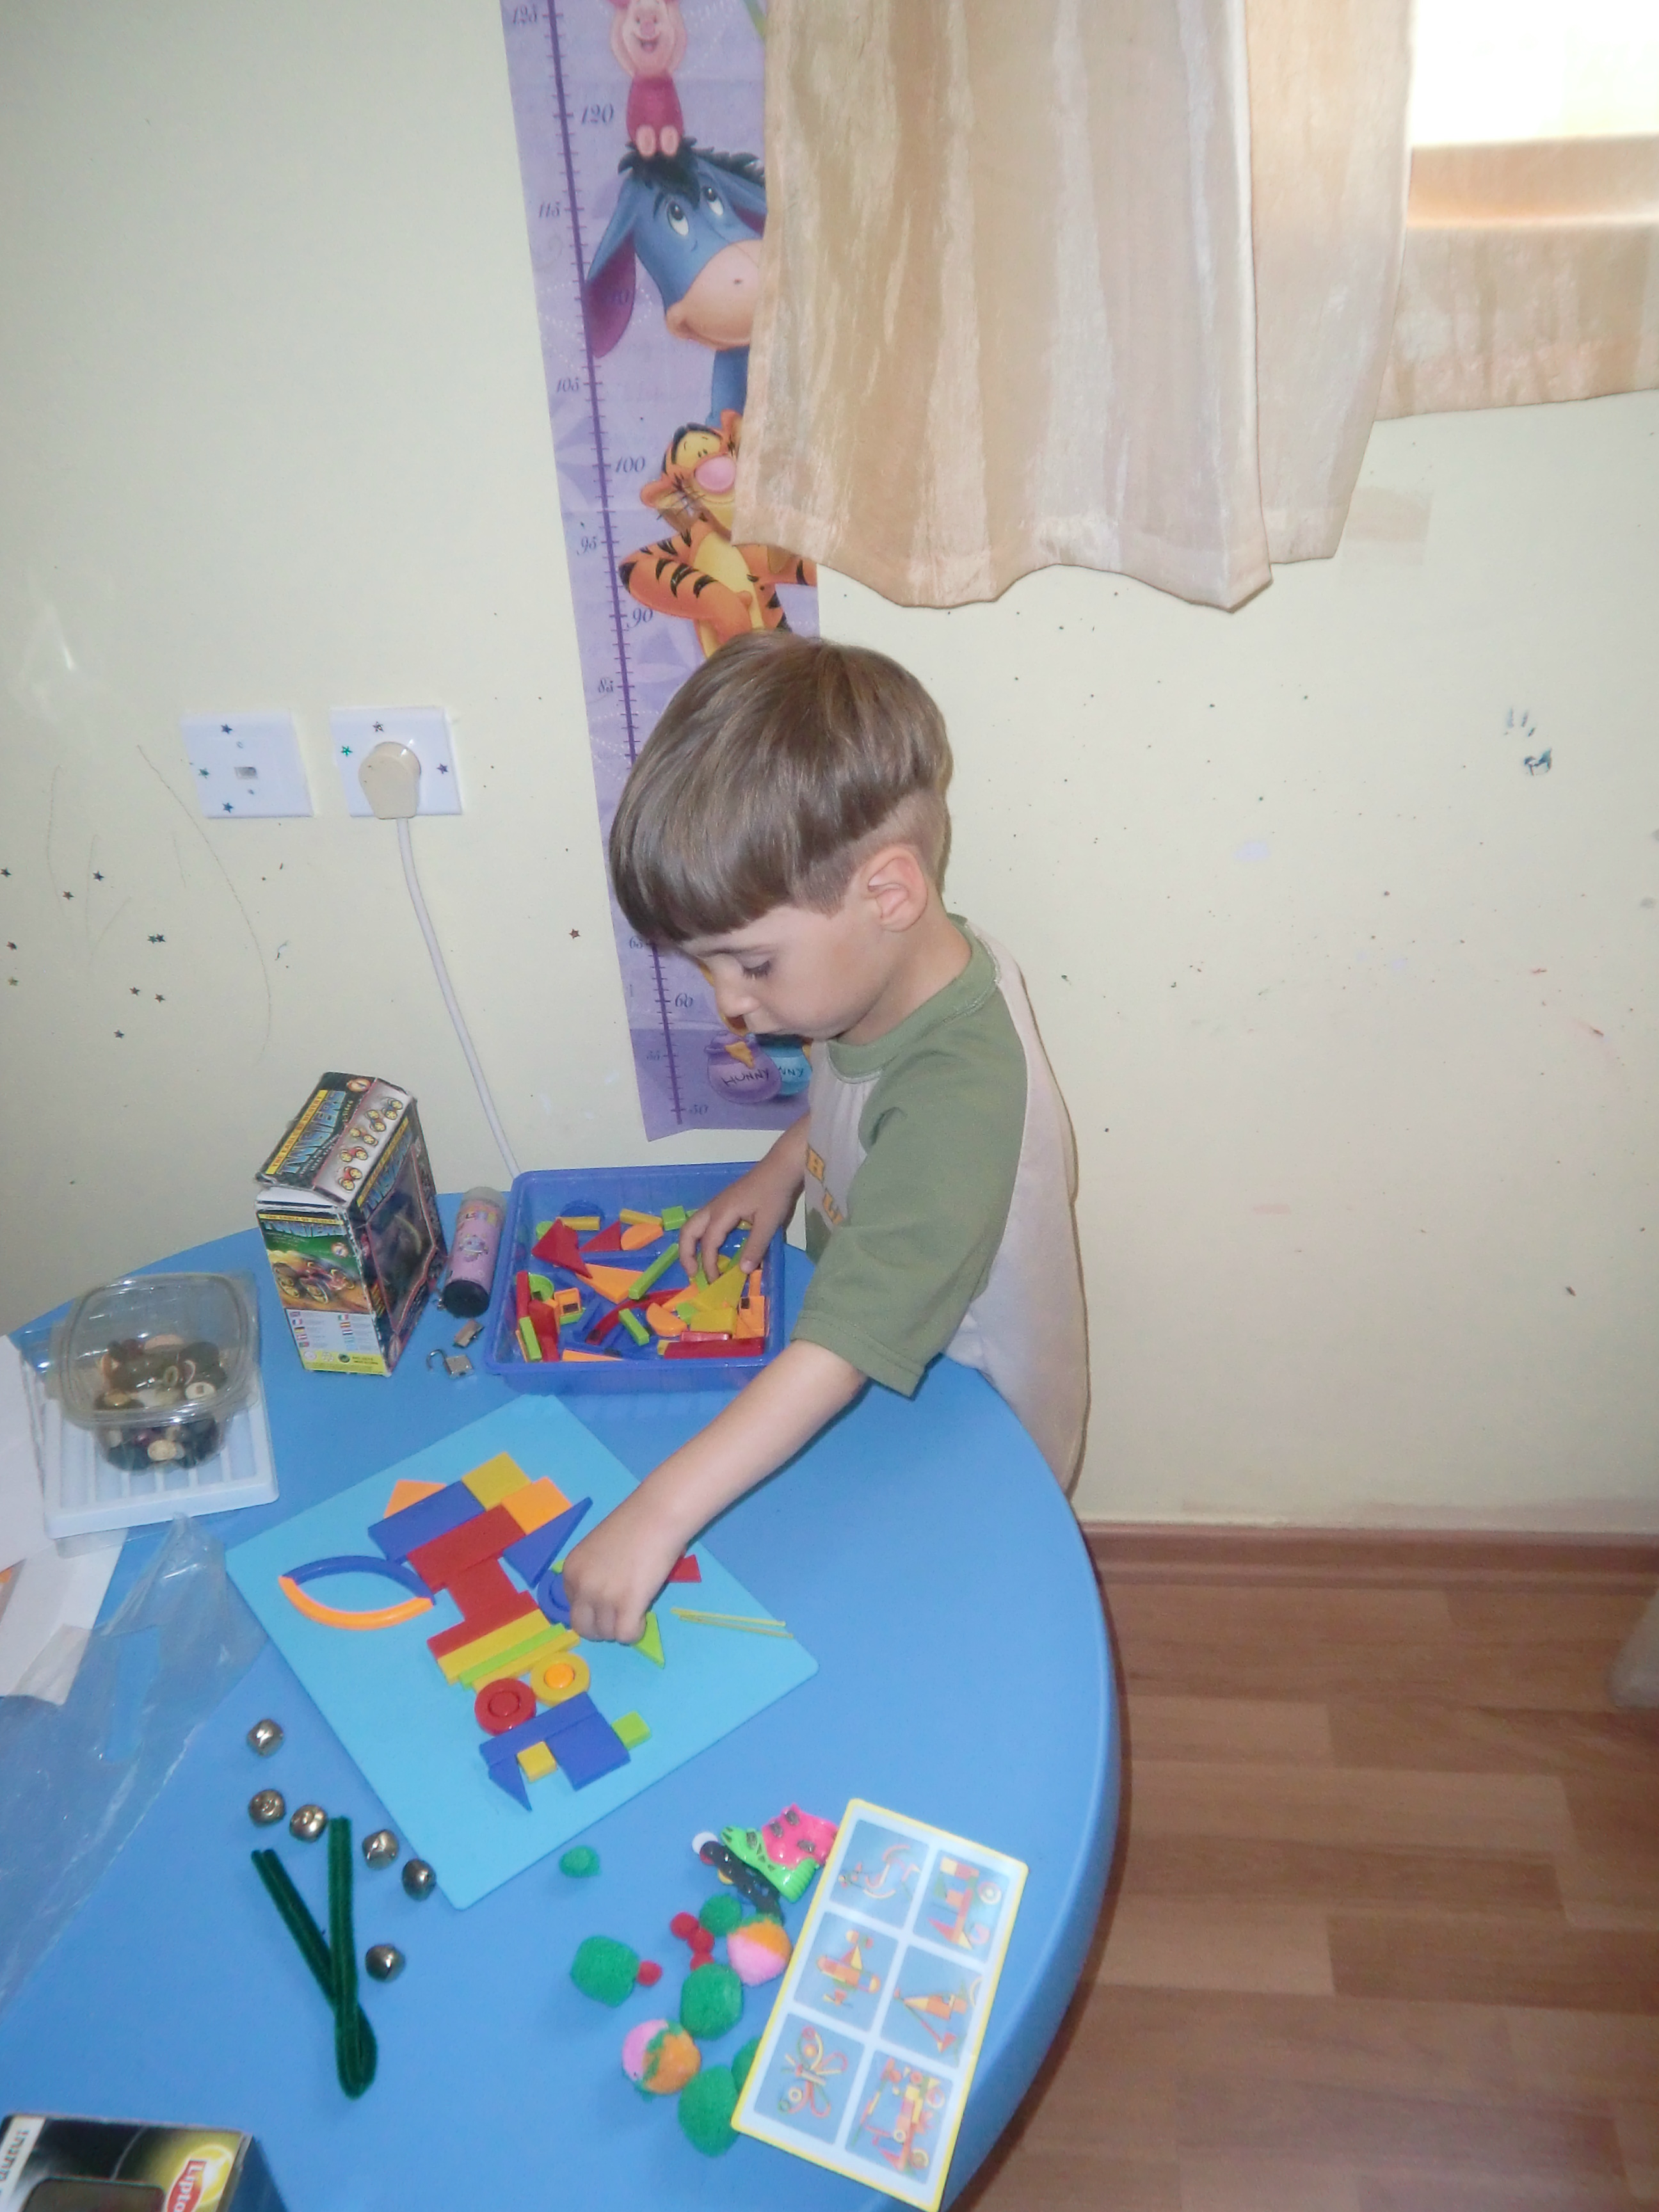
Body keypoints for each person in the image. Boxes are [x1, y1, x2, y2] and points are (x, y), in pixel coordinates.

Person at [563, 633, 1087, 1642]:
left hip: (964, 1414)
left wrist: (658, 1513)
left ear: (888, 894)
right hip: (886, 1366)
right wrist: (781, 1167)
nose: (728, 1002)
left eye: (752, 963)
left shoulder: (961, 1096)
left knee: (925, 1624)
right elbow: (867, 1085)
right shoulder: (898, 973)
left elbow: (849, 1342)